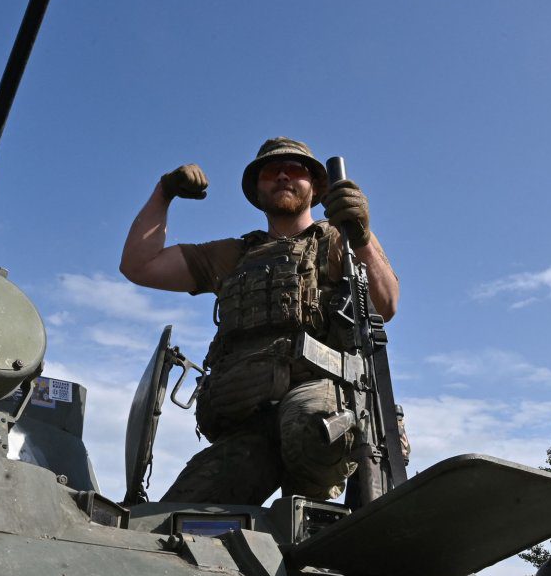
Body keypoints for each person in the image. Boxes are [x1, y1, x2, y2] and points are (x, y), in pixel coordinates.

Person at [119, 137, 399, 505]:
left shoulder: (339, 238)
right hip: (248, 422)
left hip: (321, 410)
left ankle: (315, 520)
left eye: (295, 169)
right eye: (271, 171)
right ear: (257, 187)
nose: (283, 176)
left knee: (309, 422)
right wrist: (163, 192)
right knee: (174, 517)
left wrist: (359, 235)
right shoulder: (234, 254)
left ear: (315, 186)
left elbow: (385, 304)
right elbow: (140, 266)